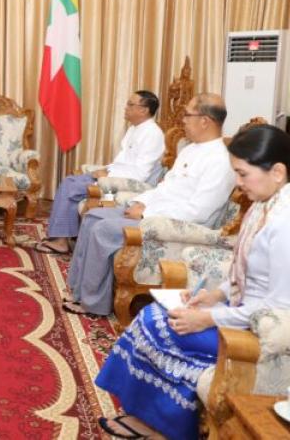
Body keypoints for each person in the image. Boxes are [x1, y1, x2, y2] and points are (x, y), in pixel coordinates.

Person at [94, 124, 290, 440]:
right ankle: (150, 417)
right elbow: (245, 270)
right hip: (239, 311)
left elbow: (275, 310)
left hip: (259, 332)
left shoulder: (284, 225)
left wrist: (208, 318)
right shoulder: (264, 205)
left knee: (159, 324)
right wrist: (215, 296)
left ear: (277, 172)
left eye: (243, 174)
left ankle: (166, 427)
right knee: (156, 315)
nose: (238, 184)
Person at [64, 94, 236, 316]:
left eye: (187, 115)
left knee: (102, 229)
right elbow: (164, 188)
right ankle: (78, 290)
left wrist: (147, 214)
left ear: (205, 121)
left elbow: (199, 211)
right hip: (153, 211)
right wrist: (140, 202)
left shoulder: (220, 160)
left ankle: (92, 304)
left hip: (171, 225)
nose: (183, 120)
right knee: (92, 216)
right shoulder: (190, 149)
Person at [37, 91, 165, 255]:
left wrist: (108, 174)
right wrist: (106, 169)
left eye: (130, 104)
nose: (125, 108)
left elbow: (140, 173)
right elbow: (122, 161)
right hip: (113, 174)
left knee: (70, 186)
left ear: (144, 110)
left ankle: (61, 241)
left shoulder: (153, 134)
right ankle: (63, 237)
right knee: (70, 181)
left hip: (122, 184)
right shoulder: (134, 129)